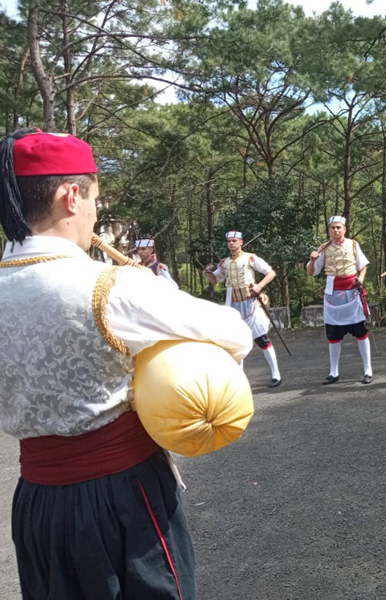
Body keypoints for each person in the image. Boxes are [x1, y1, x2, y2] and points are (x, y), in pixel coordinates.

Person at [0, 128, 253, 599]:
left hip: (35, 504)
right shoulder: (109, 286)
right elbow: (234, 332)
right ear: (71, 196)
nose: (95, 213)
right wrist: (155, 293)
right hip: (123, 496)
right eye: (94, 198)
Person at [206, 231, 282, 388]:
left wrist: (259, 286)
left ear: (241, 242)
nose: (231, 243)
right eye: (229, 241)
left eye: (234, 240)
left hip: (250, 303)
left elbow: (270, 272)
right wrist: (209, 272)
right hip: (233, 305)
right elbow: (215, 279)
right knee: (236, 341)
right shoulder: (225, 263)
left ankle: (276, 374)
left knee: (261, 339)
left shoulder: (250, 258)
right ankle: (240, 379)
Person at [306, 216, 373, 384]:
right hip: (333, 294)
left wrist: (361, 279)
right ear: (329, 229)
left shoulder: (353, 244)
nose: (336, 230)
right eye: (333, 227)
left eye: (339, 227)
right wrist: (313, 260)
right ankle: (333, 372)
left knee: (360, 331)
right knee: (333, 334)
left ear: (344, 229)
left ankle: (368, 370)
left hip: (352, 292)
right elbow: (311, 272)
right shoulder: (323, 248)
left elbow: (363, 267)